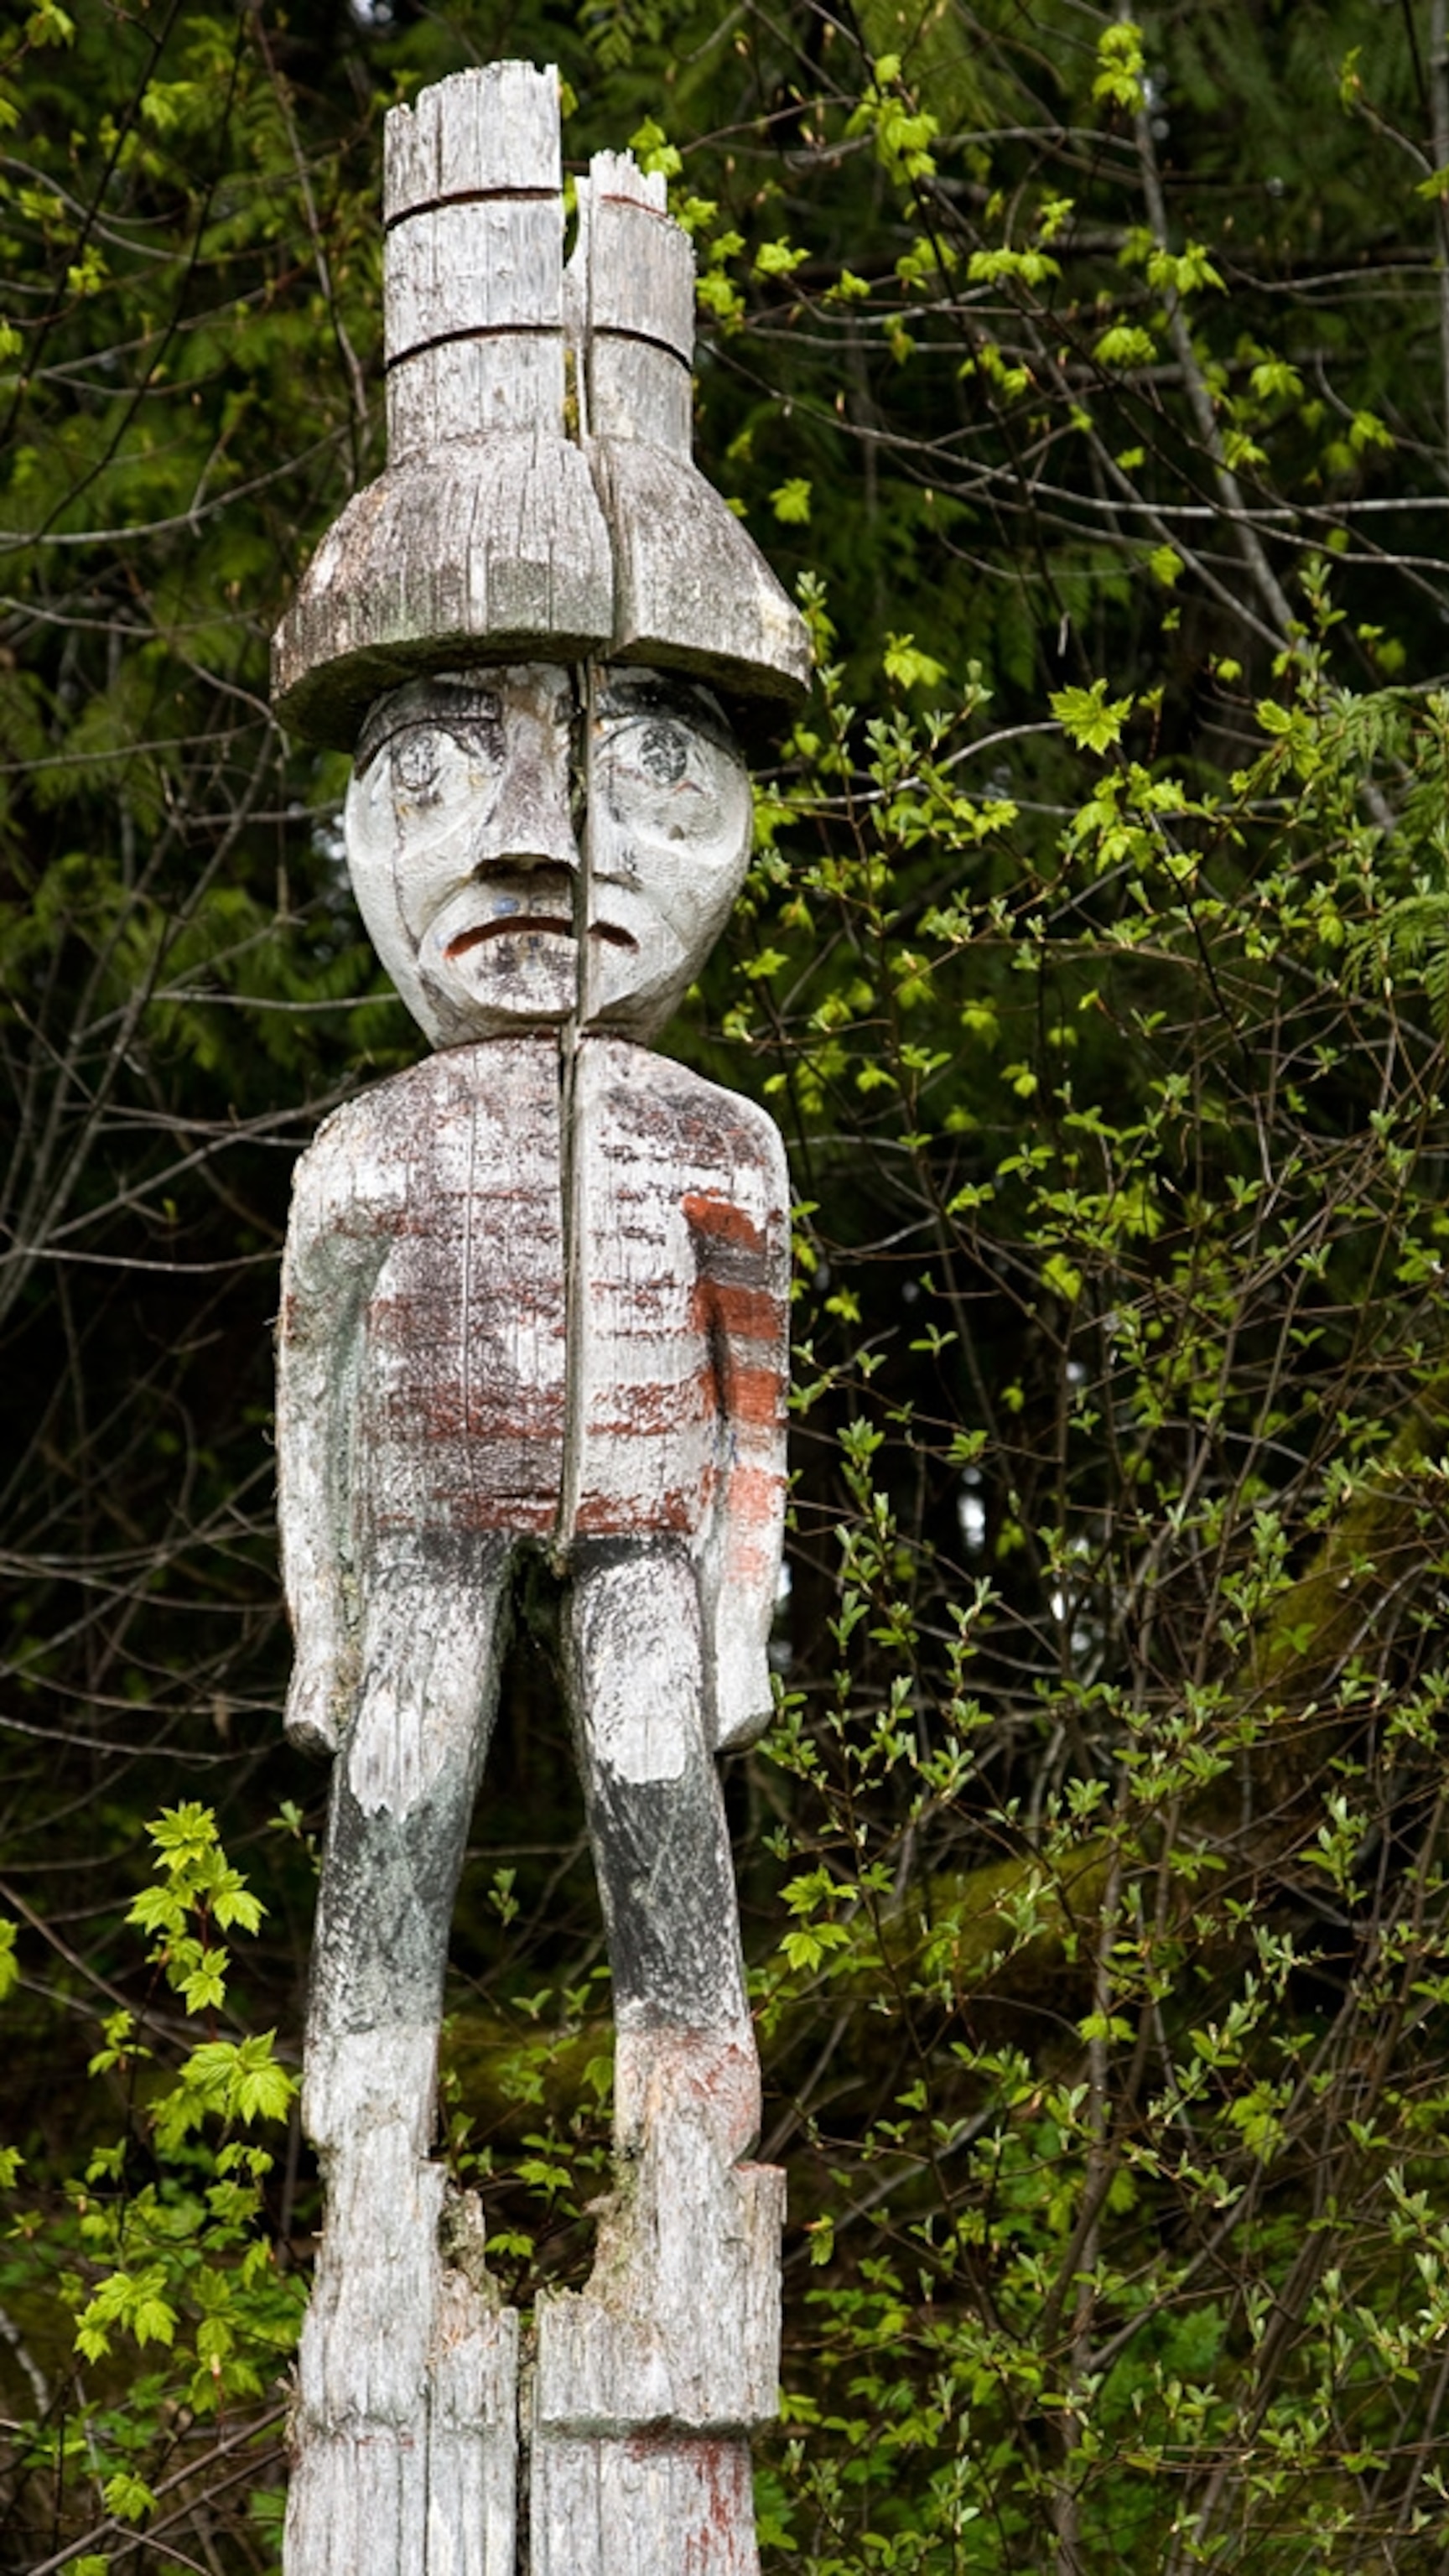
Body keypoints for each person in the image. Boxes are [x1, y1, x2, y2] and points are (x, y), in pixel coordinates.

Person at [268, 65, 808, 2571]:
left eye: (636, 757)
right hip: (418, 1543)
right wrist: (310, 1617)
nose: (535, 830)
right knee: (393, 1792)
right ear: (348, 816)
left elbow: (755, 1393)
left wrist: (748, 1596)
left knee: (648, 1796)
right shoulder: (369, 1142)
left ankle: (686, 2140)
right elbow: (305, 1388)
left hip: (638, 1541)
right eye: (438, 750)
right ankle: (363, 2138)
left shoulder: (717, 1139)